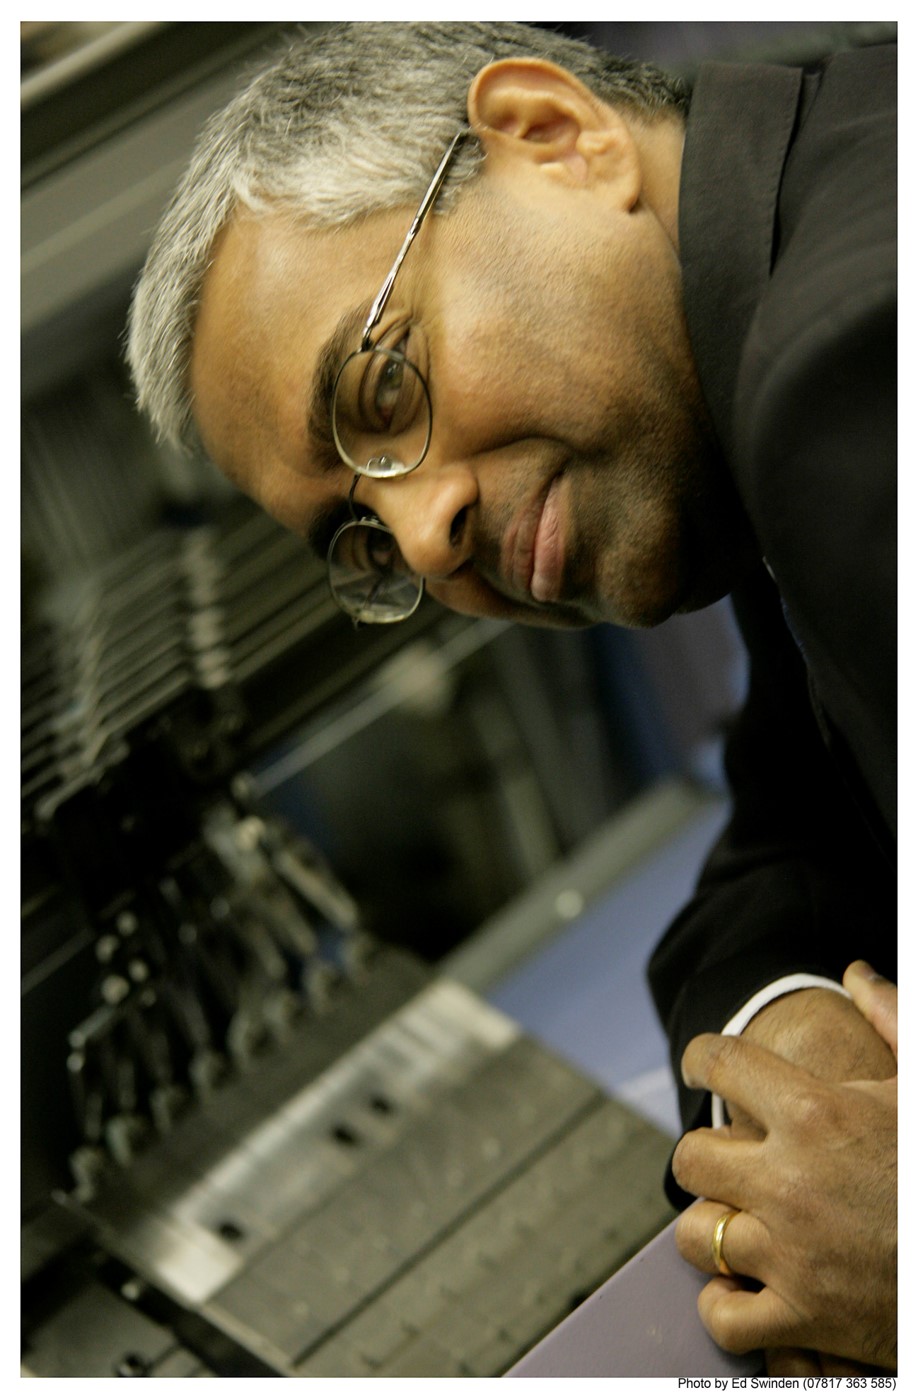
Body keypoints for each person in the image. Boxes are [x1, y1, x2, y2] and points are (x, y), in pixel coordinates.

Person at [125, 22, 896, 1374]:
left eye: (380, 389)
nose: (424, 544)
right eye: (362, 544)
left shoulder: (846, 370)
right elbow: (784, 842)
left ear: (554, 135)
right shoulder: (798, 267)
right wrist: (793, 1049)